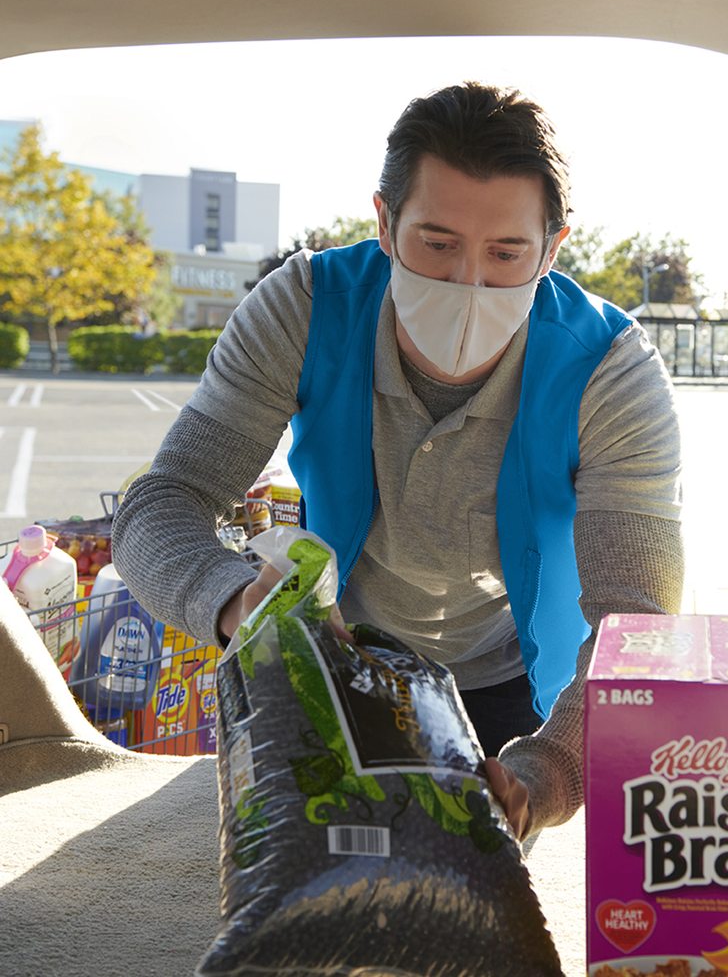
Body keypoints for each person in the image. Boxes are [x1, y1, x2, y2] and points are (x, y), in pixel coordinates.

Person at [112, 81, 684, 840]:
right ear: (384, 223)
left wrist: (549, 773)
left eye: (507, 253)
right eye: (436, 244)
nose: (467, 283)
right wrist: (234, 602)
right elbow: (164, 502)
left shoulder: (610, 370)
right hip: (334, 660)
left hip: (515, 682)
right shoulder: (303, 309)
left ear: (553, 247)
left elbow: (636, 620)